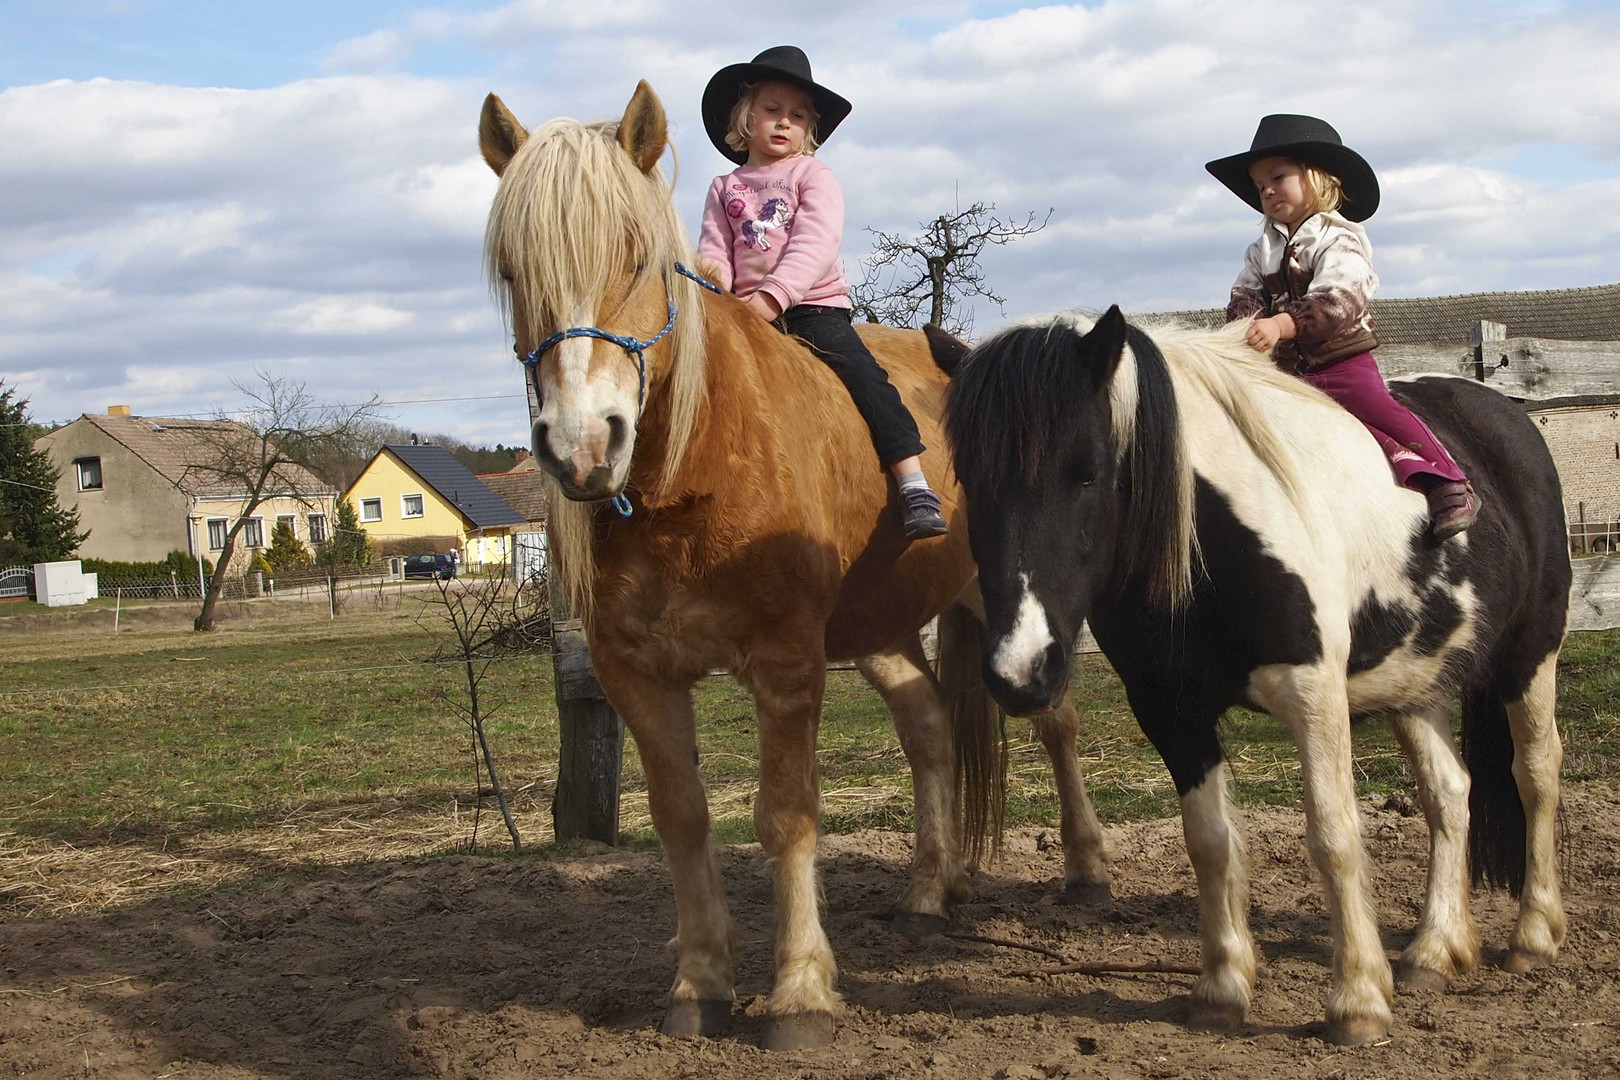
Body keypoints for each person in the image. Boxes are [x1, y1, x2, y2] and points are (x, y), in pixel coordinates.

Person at [698, 46, 948, 540]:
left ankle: (912, 479)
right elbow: (714, 251)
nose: (784, 123)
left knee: (867, 379)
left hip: (812, 309)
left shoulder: (811, 176)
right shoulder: (724, 186)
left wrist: (772, 297)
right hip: (743, 318)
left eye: (797, 116)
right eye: (772, 110)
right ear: (745, 117)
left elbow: (815, 242)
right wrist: (718, 298)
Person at [1206, 114, 1481, 541]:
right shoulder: (1261, 250)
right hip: (1289, 371)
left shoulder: (1338, 238)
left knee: (1375, 407)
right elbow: (1243, 297)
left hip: (1339, 359)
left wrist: (1283, 323)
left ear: (1318, 179)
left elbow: (1341, 296)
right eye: (1261, 186)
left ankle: (1448, 478)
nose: (1268, 190)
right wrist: (1248, 327)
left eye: (1278, 176)